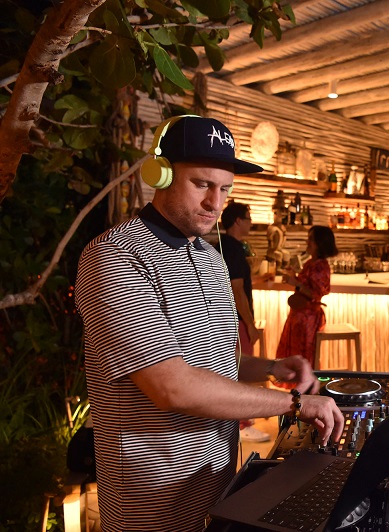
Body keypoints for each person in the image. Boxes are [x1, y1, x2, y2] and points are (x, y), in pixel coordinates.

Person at [74, 115, 344, 532]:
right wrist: (294, 404)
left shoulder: (212, 258)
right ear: (161, 174)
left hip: (218, 489)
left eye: (225, 188)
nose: (215, 203)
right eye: (201, 184)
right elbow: (173, 385)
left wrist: (271, 368)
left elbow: (214, 364)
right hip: (151, 504)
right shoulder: (115, 256)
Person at [215, 200, 271, 443]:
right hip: (235, 320)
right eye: (248, 218)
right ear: (238, 221)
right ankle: (241, 425)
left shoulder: (223, 245)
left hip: (226, 318)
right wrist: (250, 324)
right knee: (239, 371)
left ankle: (238, 421)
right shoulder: (234, 248)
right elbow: (237, 290)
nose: (251, 223)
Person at [275, 225, 337, 367]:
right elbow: (307, 285)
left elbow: (316, 294)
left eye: (311, 239)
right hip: (300, 315)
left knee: (303, 355)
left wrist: (296, 283)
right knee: (295, 354)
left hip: (308, 318)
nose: (307, 242)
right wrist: (294, 277)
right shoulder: (311, 263)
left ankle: (302, 379)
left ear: (320, 244)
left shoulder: (320, 266)